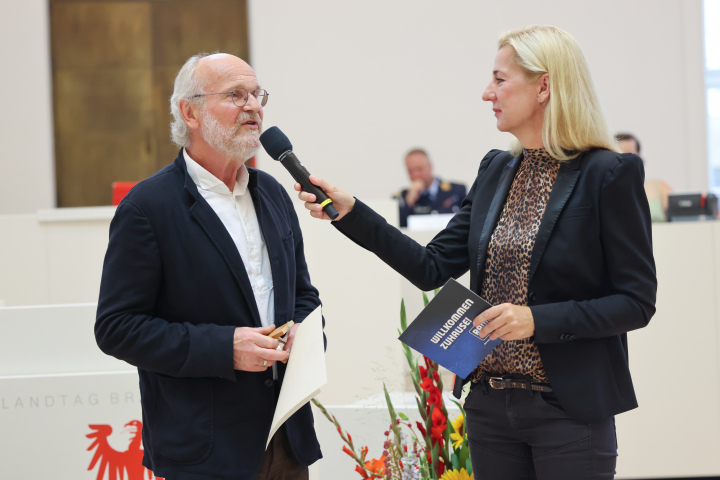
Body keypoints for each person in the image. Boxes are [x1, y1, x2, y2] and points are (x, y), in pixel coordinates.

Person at [297, 25, 656, 479]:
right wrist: (352, 213)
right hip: (489, 407)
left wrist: (535, 320)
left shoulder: (609, 173)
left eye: (500, 79)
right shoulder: (496, 169)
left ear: (545, 86)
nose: (488, 93)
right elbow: (431, 267)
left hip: (567, 411)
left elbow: (636, 302)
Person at [95, 53, 323, 480]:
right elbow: (117, 327)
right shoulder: (148, 208)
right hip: (205, 448)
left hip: (287, 439)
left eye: (257, 94)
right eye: (236, 95)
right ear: (190, 111)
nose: (254, 106)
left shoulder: (272, 193)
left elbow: (302, 294)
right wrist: (224, 348)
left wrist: (308, 341)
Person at [395, 148, 467, 227]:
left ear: (430, 166)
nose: (415, 175)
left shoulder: (456, 191)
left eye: (419, 169)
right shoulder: (402, 197)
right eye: (410, 171)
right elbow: (396, 227)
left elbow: (465, 221)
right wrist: (408, 202)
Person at [616, 132, 673, 222]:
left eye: (628, 154)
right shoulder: (606, 191)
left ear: (639, 157)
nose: (623, 160)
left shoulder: (659, 186)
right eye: (618, 155)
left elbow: (680, 214)